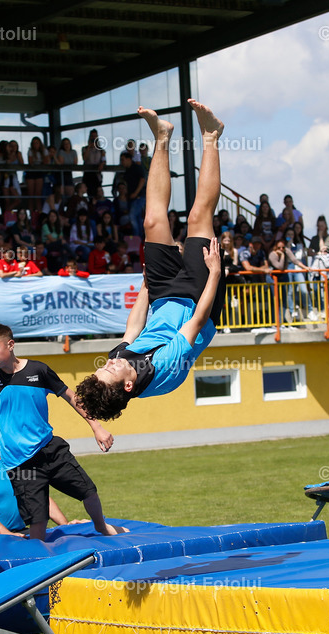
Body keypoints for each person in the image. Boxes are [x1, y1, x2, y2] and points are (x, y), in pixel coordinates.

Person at [74, 101, 225, 421]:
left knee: (152, 222)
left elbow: (133, 327)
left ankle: (162, 136)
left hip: (163, 296)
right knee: (198, 218)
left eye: (103, 367)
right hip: (198, 302)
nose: (109, 363)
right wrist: (214, 273)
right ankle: (211, 135)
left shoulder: (119, 362)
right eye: (110, 370)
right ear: (128, 386)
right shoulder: (163, 370)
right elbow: (196, 322)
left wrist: (146, 288)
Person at [0, 323, 123, 541]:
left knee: (88, 491)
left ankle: (102, 527)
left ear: (11, 344)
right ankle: (40, 555)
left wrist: (96, 426)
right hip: (20, 463)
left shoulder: (39, 371)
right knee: (38, 519)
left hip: (50, 450)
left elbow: (72, 397)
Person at [0, 423, 73, 536]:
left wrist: (65, 525)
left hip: (20, 531)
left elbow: (41, 498)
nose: (3, 435)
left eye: (6, 431)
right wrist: (7, 534)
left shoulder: (24, 464)